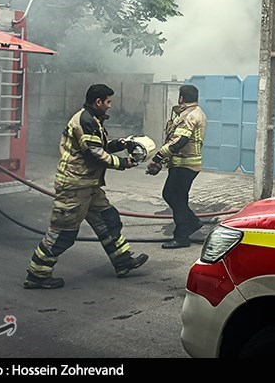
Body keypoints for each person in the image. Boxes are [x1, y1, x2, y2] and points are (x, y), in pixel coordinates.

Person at [24, 84, 148, 289]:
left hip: (88, 185)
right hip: (74, 187)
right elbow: (94, 154)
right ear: (98, 102)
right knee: (63, 232)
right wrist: (124, 163)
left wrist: (121, 144)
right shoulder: (85, 120)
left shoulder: (93, 120)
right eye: (108, 101)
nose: (110, 105)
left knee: (108, 221)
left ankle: (123, 261)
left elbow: (98, 145)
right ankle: (38, 274)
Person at [146, 84, 207, 249]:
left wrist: (158, 157)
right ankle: (188, 227)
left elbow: (180, 141)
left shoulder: (189, 116)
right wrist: (165, 162)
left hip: (184, 165)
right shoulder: (196, 112)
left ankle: (183, 235)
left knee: (171, 195)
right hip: (184, 163)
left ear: (181, 98)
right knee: (180, 198)